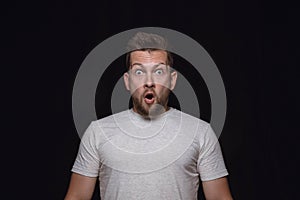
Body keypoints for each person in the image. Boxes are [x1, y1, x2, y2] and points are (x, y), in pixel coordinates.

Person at [65, 32, 233, 200]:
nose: (149, 81)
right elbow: (77, 197)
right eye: (139, 72)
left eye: (159, 71)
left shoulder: (200, 132)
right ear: (127, 81)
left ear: (172, 80)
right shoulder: (98, 132)